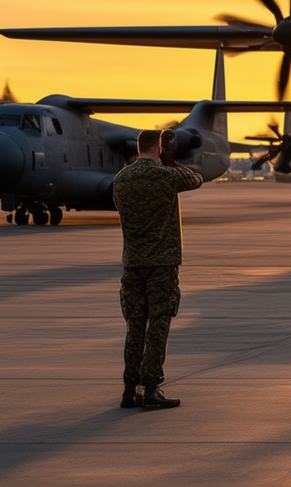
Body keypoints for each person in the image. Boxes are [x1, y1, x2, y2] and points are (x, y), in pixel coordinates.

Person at [112, 129, 204, 410]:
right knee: (158, 326)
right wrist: (172, 161)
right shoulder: (167, 176)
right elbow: (196, 179)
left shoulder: (121, 179)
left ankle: (129, 389)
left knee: (135, 327)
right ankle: (150, 388)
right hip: (162, 264)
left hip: (132, 263)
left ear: (139, 147)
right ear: (160, 148)